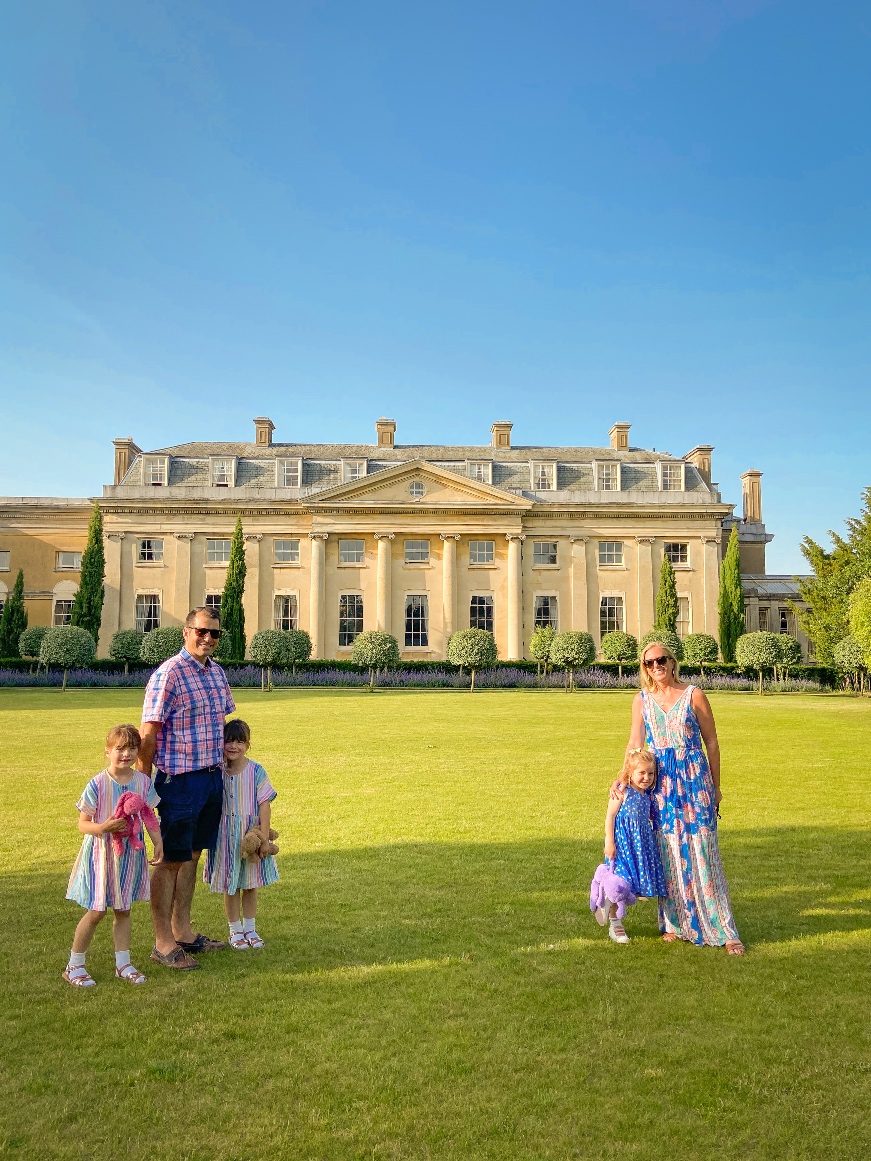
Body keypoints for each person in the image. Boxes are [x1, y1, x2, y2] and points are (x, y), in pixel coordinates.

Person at [626, 641, 745, 954]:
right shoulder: (641, 700)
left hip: (695, 783)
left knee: (703, 851)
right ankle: (676, 924)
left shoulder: (694, 694)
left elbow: (713, 743)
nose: (656, 667)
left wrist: (716, 787)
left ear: (671, 661)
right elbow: (634, 743)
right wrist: (623, 779)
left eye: (660, 660)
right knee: (670, 852)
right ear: (644, 668)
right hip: (660, 788)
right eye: (649, 663)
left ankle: (723, 929)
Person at [139, 606, 236, 970]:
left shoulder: (216, 674)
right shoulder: (169, 675)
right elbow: (148, 733)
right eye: (201, 631)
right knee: (169, 860)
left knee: (193, 855)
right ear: (186, 632)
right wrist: (143, 782)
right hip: (178, 782)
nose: (208, 638)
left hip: (211, 777)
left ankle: (183, 931)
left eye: (214, 633)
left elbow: (219, 724)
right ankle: (163, 942)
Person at [64, 724, 162, 986]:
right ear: (107, 751)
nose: (126, 754)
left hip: (130, 856)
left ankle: (123, 964)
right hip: (101, 856)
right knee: (97, 911)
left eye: (132, 748)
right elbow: (82, 823)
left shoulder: (142, 782)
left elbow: (149, 816)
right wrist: (102, 827)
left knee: (123, 909)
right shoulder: (98, 784)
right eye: (120, 748)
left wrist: (158, 843)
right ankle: (74, 966)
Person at [203, 719, 279, 948]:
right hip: (225, 837)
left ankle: (250, 928)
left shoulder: (256, 771)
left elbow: (265, 804)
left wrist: (263, 839)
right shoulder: (218, 772)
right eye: (228, 741)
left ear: (247, 744)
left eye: (239, 741)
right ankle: (235, 930)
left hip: (249, 835)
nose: (233, 746)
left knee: (249, 883)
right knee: (231, 883)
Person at [591, 748, 667, 944]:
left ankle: (606, 901)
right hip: (622, 845)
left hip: (640, 846)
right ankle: (615, 925)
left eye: (650, 773)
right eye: (641, 773)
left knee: (634, 885)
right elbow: (610, 816)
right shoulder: (622, 791)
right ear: (630, 772)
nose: (646, 777)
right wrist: (609, 842)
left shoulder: (648, 795)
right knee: (621, 883)